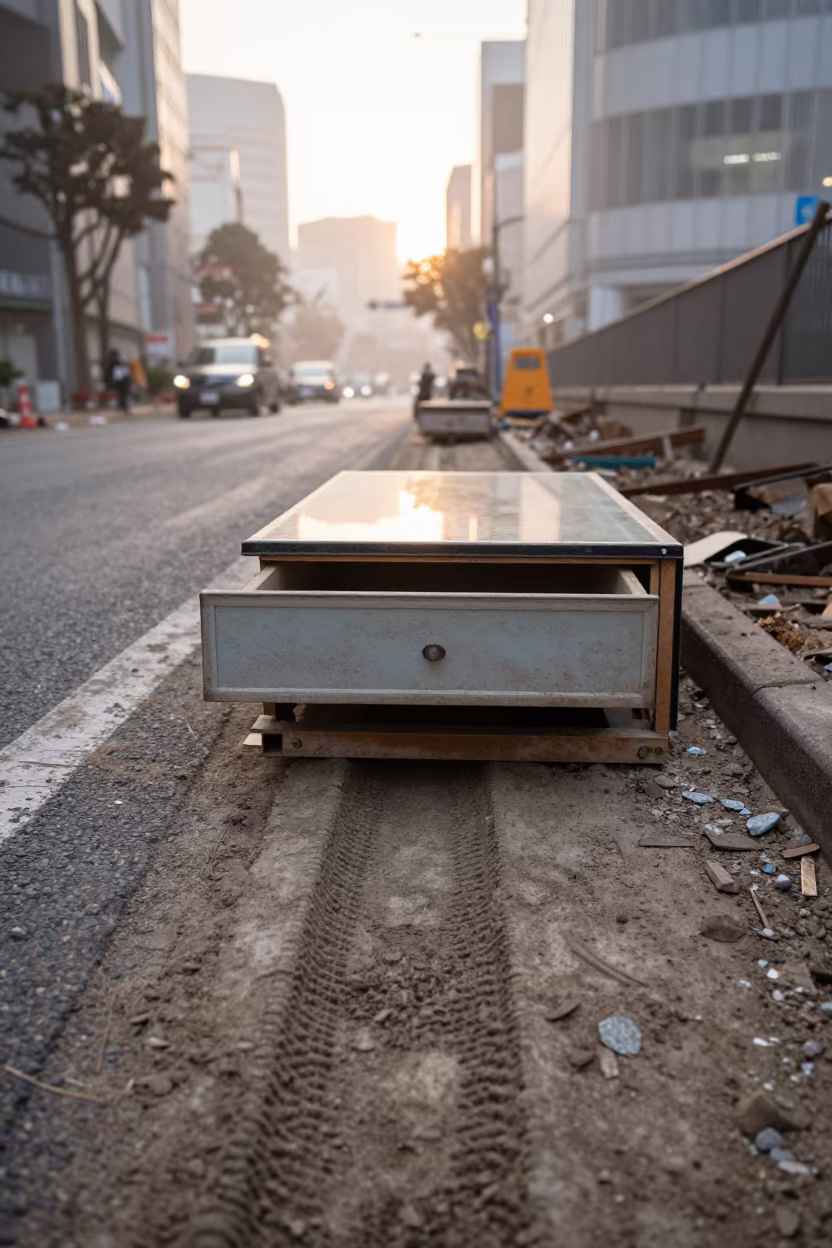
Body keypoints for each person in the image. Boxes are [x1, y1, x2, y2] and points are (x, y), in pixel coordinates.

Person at [105, 348, 131, 412]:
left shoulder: (114, 361)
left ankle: (123, 406)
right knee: (122, 394)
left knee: (121, 394)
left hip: (120, 380)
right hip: (125, 379)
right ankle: (123, 406)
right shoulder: (122, 360)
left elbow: (111, 371)